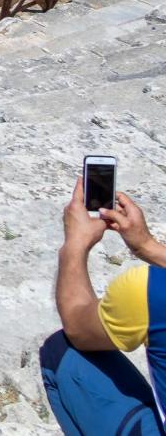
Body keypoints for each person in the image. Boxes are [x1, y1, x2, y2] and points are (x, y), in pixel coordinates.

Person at [41, 182, 166, 433]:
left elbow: (78, 327)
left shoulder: (151, 291)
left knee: (64, 353)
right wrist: (147, 246)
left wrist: (75, 245)